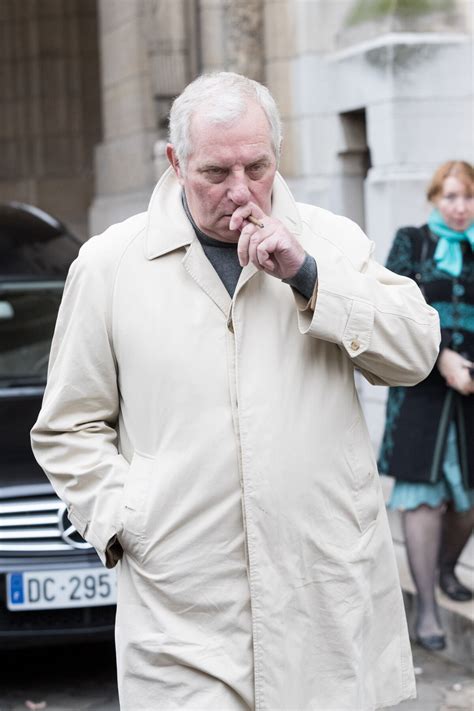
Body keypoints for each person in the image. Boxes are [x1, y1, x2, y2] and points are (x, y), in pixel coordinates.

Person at [31, 72, 440, 711]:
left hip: (322, 593)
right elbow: (67, 426)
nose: (241, 191)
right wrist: (127, 518)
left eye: (258, 166)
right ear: (176, 162)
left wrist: (309, 276)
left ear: (279, 154)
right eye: (216, 172)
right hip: (182, 604)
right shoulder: (110, 265)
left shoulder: (331, 242)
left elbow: (416, 352)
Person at [379, 160, 474, 653]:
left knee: (467, 501)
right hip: (420, 391)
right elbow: (393, 310)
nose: (460, 207)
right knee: (423, 496)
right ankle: (429, 611)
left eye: (468, 197)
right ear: (435, 198)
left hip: (470, 392)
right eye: (452, 196)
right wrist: (442, 356)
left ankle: (444, 567)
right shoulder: (411, 242)